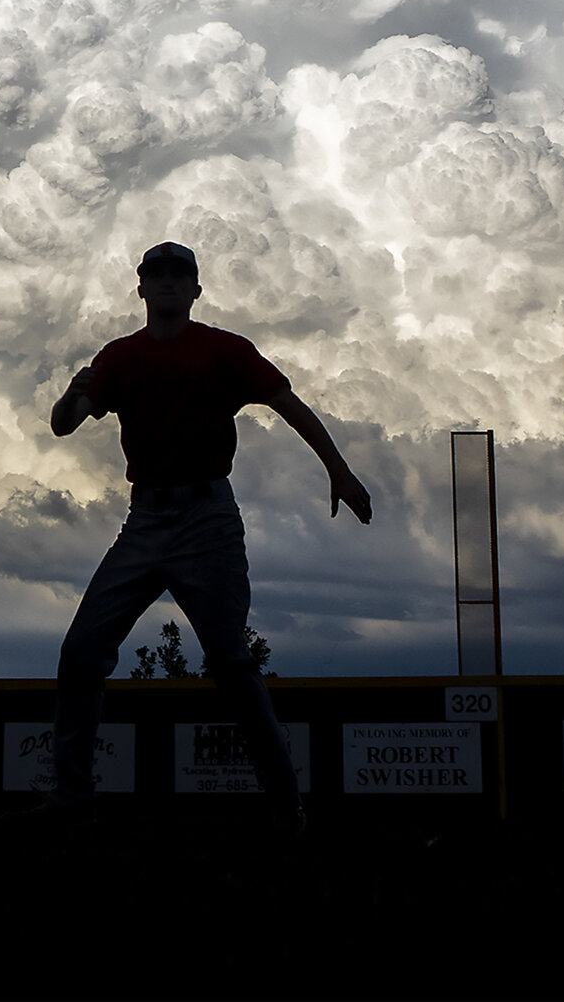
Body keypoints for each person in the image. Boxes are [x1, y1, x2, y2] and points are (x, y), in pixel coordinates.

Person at [42, 241, 374, 828]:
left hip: (207, 519)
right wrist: (72, 390)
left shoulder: (224, 349)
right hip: (145, 518)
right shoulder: (120, 357)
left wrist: (338, 468)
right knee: (80, 654)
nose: (167, 283)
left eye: (179, 275)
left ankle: (284, 804)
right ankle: (71, 800)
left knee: (230, 660)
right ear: (142, 289)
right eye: (156, 275)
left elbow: (287, 404)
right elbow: (63, 426)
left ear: (195, 290)